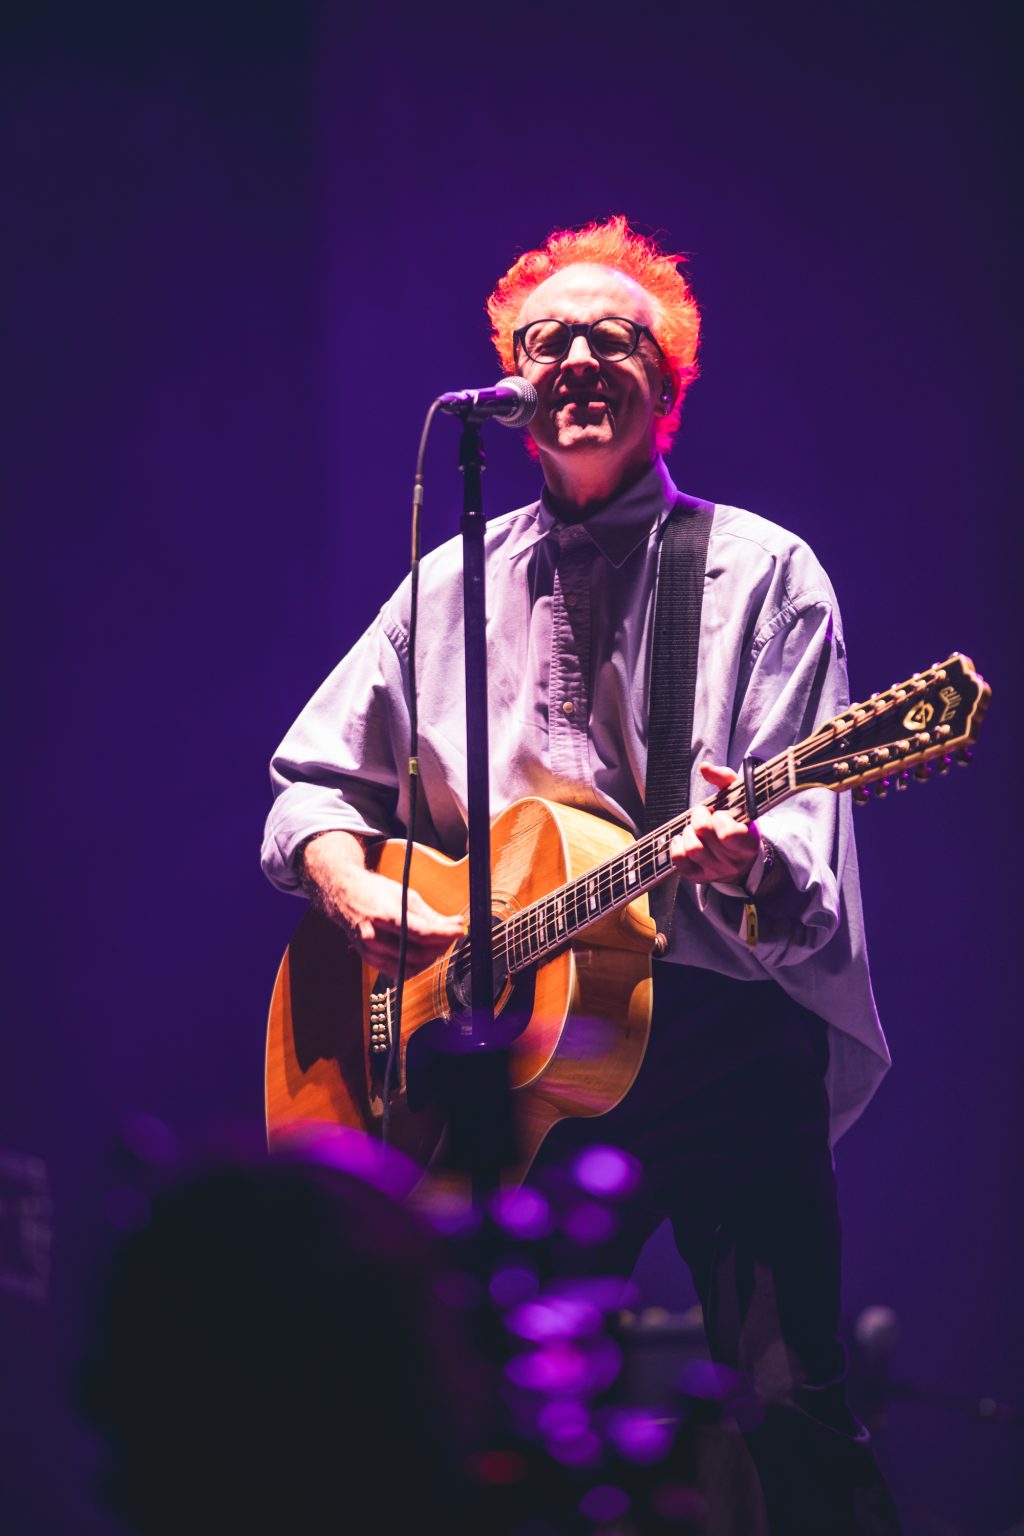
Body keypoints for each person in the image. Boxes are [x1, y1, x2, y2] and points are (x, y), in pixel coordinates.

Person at [261, 216, 900, 1533]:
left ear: (669, 387)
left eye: (615, 339)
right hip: (519, 1067)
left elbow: (806, 870)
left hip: (725, 1040)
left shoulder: (762, 575)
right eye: (547, 342)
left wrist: (742, 865)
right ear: (512, 384)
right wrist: (351, 882)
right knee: (477, 1406)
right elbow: (310, 788)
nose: (578, 361)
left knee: (789, 1412)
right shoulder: (447, 586)